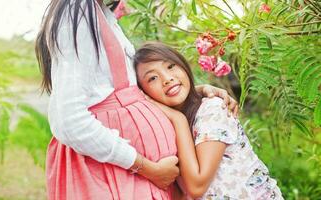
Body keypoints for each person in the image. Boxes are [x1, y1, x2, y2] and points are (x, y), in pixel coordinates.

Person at [35, 0, 238, 199]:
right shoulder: (78, 12)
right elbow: (69, 121)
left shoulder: (100, 13)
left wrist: (195, 91)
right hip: (115, 175)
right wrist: (147, 167)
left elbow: (127, 91)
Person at [134, 42, 283, 200]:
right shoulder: (163, 128)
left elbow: (196, 187)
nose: (167, 79)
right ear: (144, 93)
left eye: (171, 66)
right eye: (152, 78)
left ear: (183, 65)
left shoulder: (211, 110)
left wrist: (179, 120)